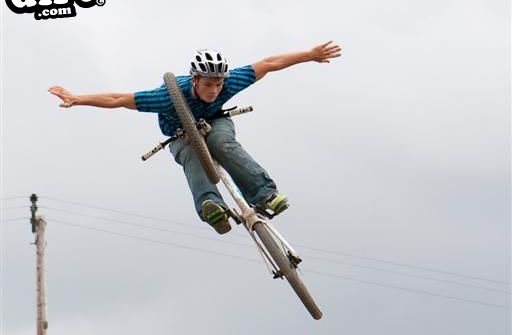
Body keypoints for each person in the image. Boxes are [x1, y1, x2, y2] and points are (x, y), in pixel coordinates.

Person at [49, 41, 341, 234]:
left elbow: (269, 63)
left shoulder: (229, 84)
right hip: (179, 135)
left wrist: (309, 56)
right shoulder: (167, 96)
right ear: (195, 79)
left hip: (216, 123)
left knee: (221, 143)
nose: (214, 90)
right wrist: (78, 98)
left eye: (218, 84)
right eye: (208, 85)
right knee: (191, 154)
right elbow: (118, 98)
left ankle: (265, 194)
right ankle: (211, 207)